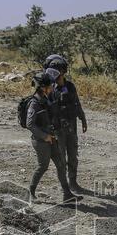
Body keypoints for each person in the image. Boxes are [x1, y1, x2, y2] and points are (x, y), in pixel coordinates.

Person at [26, 70, 80, 204]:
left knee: (61, 165)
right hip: (41, 141)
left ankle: (67, 194)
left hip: (52, 138)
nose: (51, 87)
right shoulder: (34, 103)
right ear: (42, 88)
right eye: (49, 86)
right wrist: (44, 136)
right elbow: (30, 124)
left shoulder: (47, 99)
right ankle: (30, 193)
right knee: (42, 167)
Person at [44, 54, 88, 193]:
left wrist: (83, 118)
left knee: (73, 156)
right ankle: (65, 186)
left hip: (71, 126)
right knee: (61, 158)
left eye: (59, 70)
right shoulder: (49, 88)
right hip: (58, 129)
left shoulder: (70, 86)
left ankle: (73, 182)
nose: (58, 73)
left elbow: (76, 103)